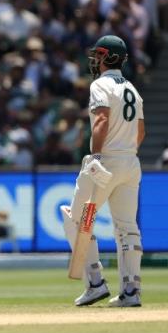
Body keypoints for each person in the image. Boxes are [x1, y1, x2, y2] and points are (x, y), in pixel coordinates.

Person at [62, 35, 145, 307]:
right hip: (130, 163)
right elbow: (141, 132)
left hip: (105, 162)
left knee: (77, 219)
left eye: (98, 55)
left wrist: (97, 156)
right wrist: (125, 154)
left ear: (108, 57)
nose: (94, 61)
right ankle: (131, 291)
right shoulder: (133, 88)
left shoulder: (101, 84)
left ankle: (95, 283)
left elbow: (101, 120)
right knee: (126, 227)